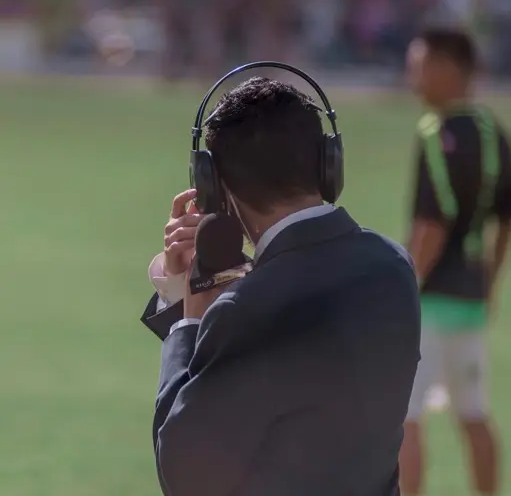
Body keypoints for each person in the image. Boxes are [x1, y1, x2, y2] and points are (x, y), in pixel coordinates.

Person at [141, 77, 421, 495]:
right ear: (328, 164)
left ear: (213, 185)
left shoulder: (245, 308)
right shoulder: (394, 266)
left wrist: (190, 321)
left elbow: (184, 474)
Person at [400, 28, 511, 496]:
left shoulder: (434, 133)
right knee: (474, 414)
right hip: (470, 299)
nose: (412, 78)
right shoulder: (492, 131)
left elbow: (433, 224)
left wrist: (405, 285)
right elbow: (505, 220)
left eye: (419, 67)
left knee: (405, 418)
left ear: (448, 68)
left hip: (429, 299)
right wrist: (490, 282)